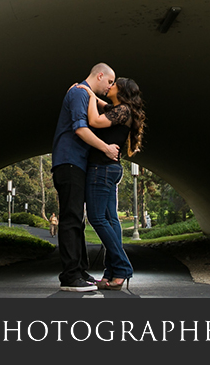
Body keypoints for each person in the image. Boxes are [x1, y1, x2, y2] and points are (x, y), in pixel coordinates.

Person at [51, 63, 120, 292]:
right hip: (68, 161)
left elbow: (108, 108)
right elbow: (80, 129)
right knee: (70, 217)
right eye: (109, 82)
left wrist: (94, 95)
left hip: (76, 163)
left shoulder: (83, 93)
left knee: (77, 219)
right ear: (99, 75)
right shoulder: (79, 93)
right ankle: (70, 276)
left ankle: (79, 270)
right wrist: (106, 149)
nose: (110, 87)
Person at [75, 77, 146, 291]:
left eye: (114, 84)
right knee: (111, 220)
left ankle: (122, 267)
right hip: (108, 169)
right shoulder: (121, 109)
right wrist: (91, 94)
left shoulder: (123, 110)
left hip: (102, 169)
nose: (109, 85)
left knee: (97, 218)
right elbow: (102, 105)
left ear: (122, 90)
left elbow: (95, 121)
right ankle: (111, 272)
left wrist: (86, 94)